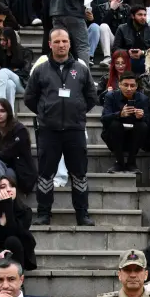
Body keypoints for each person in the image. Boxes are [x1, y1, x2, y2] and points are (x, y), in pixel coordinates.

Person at [26, 29, 96, 227]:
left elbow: (91, 96)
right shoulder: (41, 69)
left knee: (79, 174)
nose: (61, 45)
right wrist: (45, 113)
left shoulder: (81, 69)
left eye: (65, 41)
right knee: (46, 174)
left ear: (70, 43)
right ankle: (43, 214)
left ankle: (83, 214)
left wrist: (78, 112)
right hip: (49, 131)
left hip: (74, 130)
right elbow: (30, 98)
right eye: (57, 41)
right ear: (50, 44)